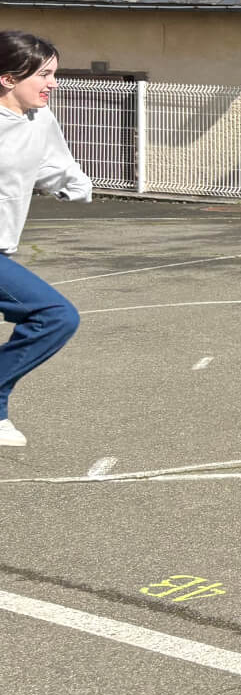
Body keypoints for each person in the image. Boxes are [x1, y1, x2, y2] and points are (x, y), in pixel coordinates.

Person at [1, 32, 92, 447]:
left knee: (53, 318)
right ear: (8, 78)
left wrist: (75, 186)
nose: (53, 83)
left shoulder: (39, 119)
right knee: (55, 315)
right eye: (43, 74)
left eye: (54, 73)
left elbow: (53, 164)